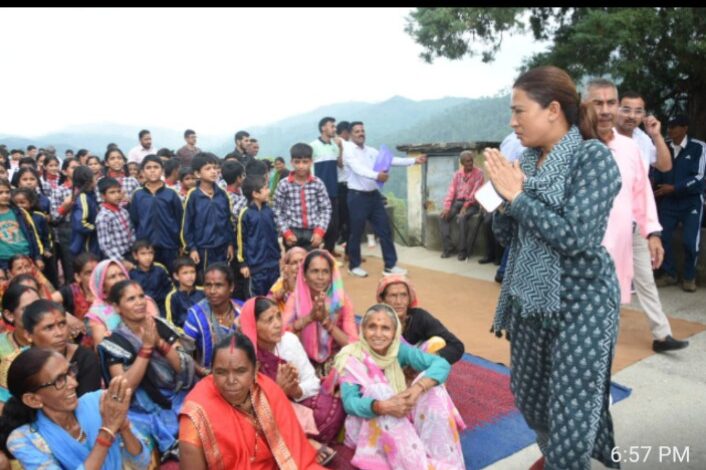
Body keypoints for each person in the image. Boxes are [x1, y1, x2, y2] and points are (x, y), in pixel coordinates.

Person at [485, 65, 621, 469]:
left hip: (582, 303)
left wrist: (518, 197)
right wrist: (502, 200)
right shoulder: (525, 163)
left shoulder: (592, 158)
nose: (513, 122)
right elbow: (508, 237)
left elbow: (576, 238)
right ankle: (562, 455)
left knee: (572, 411)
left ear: (553, 110)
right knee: (529, 397)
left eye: (519, 111)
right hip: (529, 301)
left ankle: (566, 460)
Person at [587, 80, 689, 353]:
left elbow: (646, 185)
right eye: (626, 109)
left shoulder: (637, 143)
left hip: (634, 226)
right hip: (599, 232)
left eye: (638, 111)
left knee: (644, 279)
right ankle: (598, 340)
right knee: (602, 286)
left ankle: (662, 335)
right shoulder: (581, 142)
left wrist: (652, 232)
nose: (631, 115)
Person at [334, 304, 466, 469]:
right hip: (365, 426)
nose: (378, 334)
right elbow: (350, 403)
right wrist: (381, 406)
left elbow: (441, 364)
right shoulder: (352, 356)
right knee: (380, 391)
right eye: (372, 327)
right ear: (363, 330)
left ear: (394, 332)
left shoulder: (397, 350)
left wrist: (417, 388)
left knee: (432, 388)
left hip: (399, 415)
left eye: (385, 328)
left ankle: (446, 461)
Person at [178, 332, 325, 470]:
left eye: (240, 371)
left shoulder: (268, 390)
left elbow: (295, 453)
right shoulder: (197, 413)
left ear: (255, 370)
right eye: (221, 372)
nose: (231, 380)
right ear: (212, 371)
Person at [0, 348, 152, 469]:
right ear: (33, 400)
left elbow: (142, 463)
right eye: (59, 380)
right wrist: (107, 432)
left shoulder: (100, 401)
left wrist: (123, 427)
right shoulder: (24, 439)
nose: (74, 383)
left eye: (70, 372)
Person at [98, 280, 196, 459]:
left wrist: (159, 342)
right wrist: (146, 348)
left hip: (177, 395)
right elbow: (124, 388)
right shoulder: (114, 342)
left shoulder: (160, 325)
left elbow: (183, 367)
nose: (139, 302)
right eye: (131, 299)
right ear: (117, 307)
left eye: (141, 296)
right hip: (140, 408)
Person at [240, 297, 345, 452]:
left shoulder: (289, 341)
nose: (277, 324)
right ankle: (303, 444)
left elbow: (312, 381)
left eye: (278, 316)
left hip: (296, 405)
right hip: (265, 415)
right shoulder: (244, 355)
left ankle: (298, 443)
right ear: (253, 325)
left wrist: (296, 390)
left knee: (332, 409)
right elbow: (244, 404)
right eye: (269, 320)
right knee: (252, 428)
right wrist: (277, 390)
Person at [343, 121, 426, 277]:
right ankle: (354, 266)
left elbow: (390, 160)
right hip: (357, 197)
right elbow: (358, 169)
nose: (361, 133)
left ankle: (390, 265)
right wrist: (377, 176)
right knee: (356, 232)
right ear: (351, 134)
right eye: (357, 131)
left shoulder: (371, 151)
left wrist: (414, 161)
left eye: (362, 130)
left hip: (374, 196)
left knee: (385, 230)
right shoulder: (349, 152)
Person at [283, 249, 357, 378]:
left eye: (325, 272)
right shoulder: (296, 299)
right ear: (304, 274)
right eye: (315, 271)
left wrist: (327, 323)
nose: (320, 277)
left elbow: (353, 345)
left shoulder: (340, 300)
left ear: (331, 275)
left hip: (335, 361)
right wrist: (309, 318)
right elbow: (281, 335)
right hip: (302, 360)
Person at [652, 114, 706, 292]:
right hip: (668, 203)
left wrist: (675, 188)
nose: (670, 130)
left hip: (691, 202)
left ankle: (689, 277)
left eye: (675, 126)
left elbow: (700, 177)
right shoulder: (664, 146)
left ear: (685, 128)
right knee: (663, 238)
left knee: (690, 242)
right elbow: (657, 171)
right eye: (669, 126)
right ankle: (670, 274)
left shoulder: (698, 147)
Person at [377, 275, 465, 365]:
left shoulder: (420, 317)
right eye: (393, 296)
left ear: (409, 298)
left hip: (419, 366)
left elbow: (457, 345)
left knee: (438, 342)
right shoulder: (375, 320)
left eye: (404, 295)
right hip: (386, 368)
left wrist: (427, 359)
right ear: (383, 300)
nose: (399, 301)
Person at [22, 299, 101, 397]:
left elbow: (88, 403)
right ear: (28, 335)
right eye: (49, 328)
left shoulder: (85, 359)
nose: (59, 333)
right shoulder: (20, 364)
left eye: (62, 324)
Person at [182, 152, 236, 278]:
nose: (213, 172)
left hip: (222, 246)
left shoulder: (222, 195)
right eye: (208, 169)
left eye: (215, 168)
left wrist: (230, 243)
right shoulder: (193, 196)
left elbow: (228, 222)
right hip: (203, 248)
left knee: (222, 277)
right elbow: (187, 224)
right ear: (197, 174)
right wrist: (192, 248)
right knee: (206, 278)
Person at [183, 263, 243, 375]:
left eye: (218, 285)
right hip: (208, 376)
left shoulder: (242, 310)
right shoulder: (196, 315)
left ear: (231, 287)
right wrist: (204, 372)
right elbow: (185, 353)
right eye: (208, 285)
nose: (212, 291)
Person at [85, 259, 160, 348]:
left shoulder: (144, 301)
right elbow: (102, 348)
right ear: (102, 285)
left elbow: (157, 331)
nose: (119, 279)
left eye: (122, 274)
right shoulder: (97, 313)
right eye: (112, 277)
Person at [129, 154, 184, 273]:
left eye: (156, 167)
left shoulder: (171, 193)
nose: (152, 170)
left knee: (170, 275)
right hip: (147, 247)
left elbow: (179, 219)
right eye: (148, 168)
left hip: (169, 244)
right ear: (142, 172)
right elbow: (135, 220)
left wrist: (180, 244)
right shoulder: (138, 195)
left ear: (162, 170)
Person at [273, 143, 332, 251]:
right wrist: (286, 232)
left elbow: (326, 209)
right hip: (292, 232)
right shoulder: (284, 184)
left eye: (305, 162)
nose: (301, 166)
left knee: (311, 259)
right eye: (297, 162)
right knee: (294, 260)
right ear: (291, 162)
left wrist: (320, 231)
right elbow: (277, 211)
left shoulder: (317, 183)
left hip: (313, 233)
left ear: (311, 162)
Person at [237, 175, 281, 297]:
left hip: (273, 263)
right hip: (256, 266)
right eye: (265, 188)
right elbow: (241, 240)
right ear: (255, 194)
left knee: (274, 296)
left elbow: (274, 234)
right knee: (257, 298)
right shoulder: (246, 214)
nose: (269, 191)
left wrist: (278, 255)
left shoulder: (269, 211)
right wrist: (243, 263)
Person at [439, 150, 484, 260]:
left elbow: (475, 192)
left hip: (472, 204)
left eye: (471, 160)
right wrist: (447, 207)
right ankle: (448, 247)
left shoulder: (479, 173)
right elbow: (451, 191)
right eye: (467, 161)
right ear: (462, 163)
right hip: (458, 202)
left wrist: (466, 206)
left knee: (462, 218)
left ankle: (463, 251)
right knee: (443, 217)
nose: (470, 163)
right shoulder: (457, 174)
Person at [0, 285, 40, 407]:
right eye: (27, 309)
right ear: (9, 315)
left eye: (38, 306)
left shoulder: (54, 338)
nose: (36, 313)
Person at [51, 253, 99, 345]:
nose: (94, 276)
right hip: (80, 346)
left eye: (97, 272)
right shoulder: (71, 291)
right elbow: (45, 302)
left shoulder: (108, 291)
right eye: (88, 273)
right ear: (78, 277)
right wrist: (65, 316)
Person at [311, 117, 342, 254]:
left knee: (334, 224)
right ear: (323, 128)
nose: (335, 129)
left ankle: (329, 251)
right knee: (319, 223)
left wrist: (340, 147)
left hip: (333, 190)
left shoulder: (334, 146)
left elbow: (340, 164)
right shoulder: (313, 146)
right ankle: (315, 253)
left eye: (335, 126)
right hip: (318, 192)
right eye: (332, 126)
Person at [0, 179, 43, 273]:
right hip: (3, 261)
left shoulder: (19, 212)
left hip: (25, 257)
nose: (5, 195)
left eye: (7, 192)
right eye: (1, 193)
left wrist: (37, 257)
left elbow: (32, 235)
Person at [50, 157, 80, 284]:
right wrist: (65, 207)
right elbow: (54, 217)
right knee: (70, 266)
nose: (77, 170)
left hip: (85, 229)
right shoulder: (59, 190)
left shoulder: (88, 188)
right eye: (73, 168)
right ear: (64, 171)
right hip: (67, 230)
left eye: (79, 167)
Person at [95, 177, 135, 265]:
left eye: (119, 191)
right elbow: (105, 246)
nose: (117, 195)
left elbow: (131, 232)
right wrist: (121, 261)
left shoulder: (123, 211)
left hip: (130, 254)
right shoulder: (104, 216)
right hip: (116, 258)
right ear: (103, 196)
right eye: (112, 192)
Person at [129, 240, 173, 317]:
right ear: (135, 256)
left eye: (150, 253)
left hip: (161, 307)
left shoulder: (160, 270)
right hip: (141, 308)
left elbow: (169, 289)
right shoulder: (132, 274)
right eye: (143, 254)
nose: (147, 257)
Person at [165, 257, 205, 331]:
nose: (190, 276)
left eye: (192, 272)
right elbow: (171, 323)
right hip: (183, 334)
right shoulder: (172, 296)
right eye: (185, 273)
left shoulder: (203, 292)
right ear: (176, 276)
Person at [69, 166, 101, 257]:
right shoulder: (83, 198)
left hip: (92, 243)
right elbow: (81, 223)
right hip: (86, 245)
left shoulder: (91, 195)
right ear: (89, 180)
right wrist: (97, 228)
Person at [268, 246, 307, 313]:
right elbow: (267, 303)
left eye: (302, 261)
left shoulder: (313, 280)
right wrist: (277, 296)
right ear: (287, 267)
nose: (299, 266)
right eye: (294, 263)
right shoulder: (281, 283)